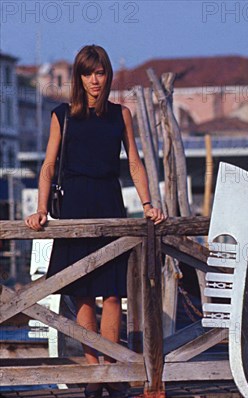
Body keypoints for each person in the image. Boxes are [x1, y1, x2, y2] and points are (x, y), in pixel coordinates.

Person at [25, 45, 166, 397]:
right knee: (82, 294)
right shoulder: (63, 115)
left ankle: (110, 371)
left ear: (107, 76)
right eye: (88, 73)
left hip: (109, 203)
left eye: (100, 73)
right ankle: (96, 373)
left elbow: (134, 162)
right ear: (79, 77)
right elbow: (47, 165)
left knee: (113, 294)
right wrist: (41, 208)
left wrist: (148, 203)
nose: (94, 80)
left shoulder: (122, 115)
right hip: (72, 206)